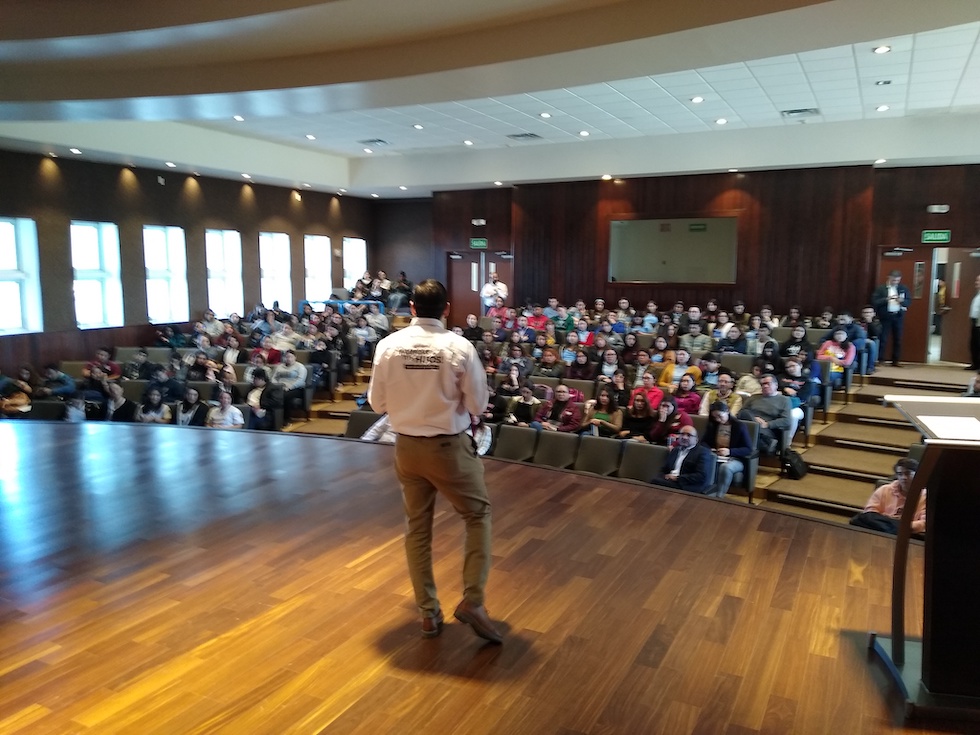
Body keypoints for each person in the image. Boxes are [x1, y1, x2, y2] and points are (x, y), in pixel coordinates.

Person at [367, 278, 501, 643]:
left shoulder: (388, 346)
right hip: (448, 449)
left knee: (418, 527)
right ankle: (473, 601)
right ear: (446, 309)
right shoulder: (458, 347)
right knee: (477, 515)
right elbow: (477, 405)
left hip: (406, 448)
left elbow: (377, 405)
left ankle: (428, 613)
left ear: (411, 307)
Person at [850, 458, 926, 535]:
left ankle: (895, 528)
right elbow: (870, 512)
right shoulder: (884, 489)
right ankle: (893, 529)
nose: (904, 477)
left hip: (909, 532)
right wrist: (891, 523)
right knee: (861, 518)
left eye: (908, 473)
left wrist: (904, 526)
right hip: (883, 527)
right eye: (900, 474)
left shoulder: (925, 496)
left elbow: (924, 522)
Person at [702, 401, 754, 497]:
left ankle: (719, 496)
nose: (717, 419)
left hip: (734, 458)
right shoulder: (713, 424)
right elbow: (704, 442)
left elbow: (748, 449)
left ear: (727, 411)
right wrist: (710, 449)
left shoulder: (739, 426)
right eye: (715, 417)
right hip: (716, 455)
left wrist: (730, 451)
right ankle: (704, 492)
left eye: (720, 416)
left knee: (725, 467)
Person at [738, 373, 793, 454]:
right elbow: (742, 413)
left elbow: (786, 420)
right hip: (751, 426)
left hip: (768, 430)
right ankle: (765, 443)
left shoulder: (784, 400)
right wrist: (754, 418)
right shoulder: (753, 397)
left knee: (748, 435)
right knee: (745, 414)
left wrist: (767, 424)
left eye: (768, 383)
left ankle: (762, 443)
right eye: (763, 384)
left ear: (776, 385)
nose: (765, 386)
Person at [653, 425, 714, 494]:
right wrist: (663, 476)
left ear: (696, 439)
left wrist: (677, 478)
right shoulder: (675, 450)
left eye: (689, 435)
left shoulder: (702, 452)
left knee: (656, 482)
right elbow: (664, 469)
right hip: (671, 481)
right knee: (654, 481)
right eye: (682, 434)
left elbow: (701, 476)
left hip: (688, 485)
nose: (684, 437)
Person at [872, 269, 911, 366]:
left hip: (898, 316)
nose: (895, 282)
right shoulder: (881, 288)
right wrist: (886, 299)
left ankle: (895, 360)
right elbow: (874, 301)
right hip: (885, 316)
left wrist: (902, 301)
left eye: (897, 280)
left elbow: (908, 302)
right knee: (883, 338)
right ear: (889, 278)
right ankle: (880, 359)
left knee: (898, 339)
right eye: (894, 280)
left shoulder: (903, 288)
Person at [969, 275, 980, 370]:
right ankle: (975, 364)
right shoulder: (978, 294)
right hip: (975, 322)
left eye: (978, 281)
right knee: (974, 344)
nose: (976, 282)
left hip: (979, 323)